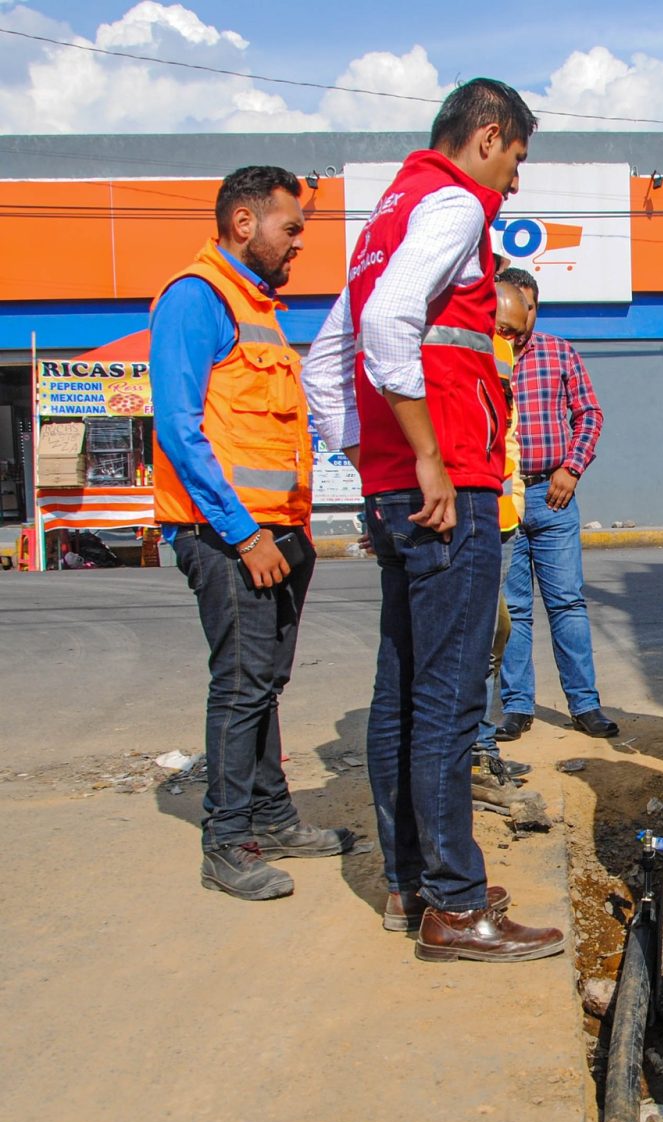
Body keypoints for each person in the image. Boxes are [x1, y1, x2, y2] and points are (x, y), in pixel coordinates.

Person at [303, 78, 563, 963]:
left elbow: (323, 368)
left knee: (404, 692)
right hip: (450, 486)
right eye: (517, 159)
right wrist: (421, 455)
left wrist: (372, 462)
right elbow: (382, 327)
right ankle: (454, 906)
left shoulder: (386, 218)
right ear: (489, 136)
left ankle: (411, 881)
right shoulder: (451, 205)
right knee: (450, 698)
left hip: (404, 492)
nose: (515, 185)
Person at [151, 165, 365, 901]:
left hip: (279, 535)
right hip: (230, 538)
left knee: (265, 685)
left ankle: (272, 816)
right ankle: (227, 841)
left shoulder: (259, 308)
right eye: (291, 228)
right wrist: (245, 536)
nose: (298, 243)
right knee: (241, 685)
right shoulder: (196, 298)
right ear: (245, 222)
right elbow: (181, 430)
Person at [494, 274, 618, 741]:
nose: (517, 321)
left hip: (552, 494)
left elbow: (589, 413)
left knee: (567, 603)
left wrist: (572, 467)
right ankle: (517, 707)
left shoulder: (558, 352)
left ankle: (585, 705)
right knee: (514, 609)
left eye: (526, 309)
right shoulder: (486, 353)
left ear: (534, 307)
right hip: (505, 499)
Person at [472, 279, 533, 786]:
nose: (509, 340)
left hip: (503, 519)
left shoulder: (502, 352)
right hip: (474, 520)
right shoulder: (464, 348)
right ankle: (474, 748)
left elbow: (504, 435)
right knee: (475, 640)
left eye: (517, 332)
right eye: (504, 328)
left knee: (498, 634)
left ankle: (481, 741)